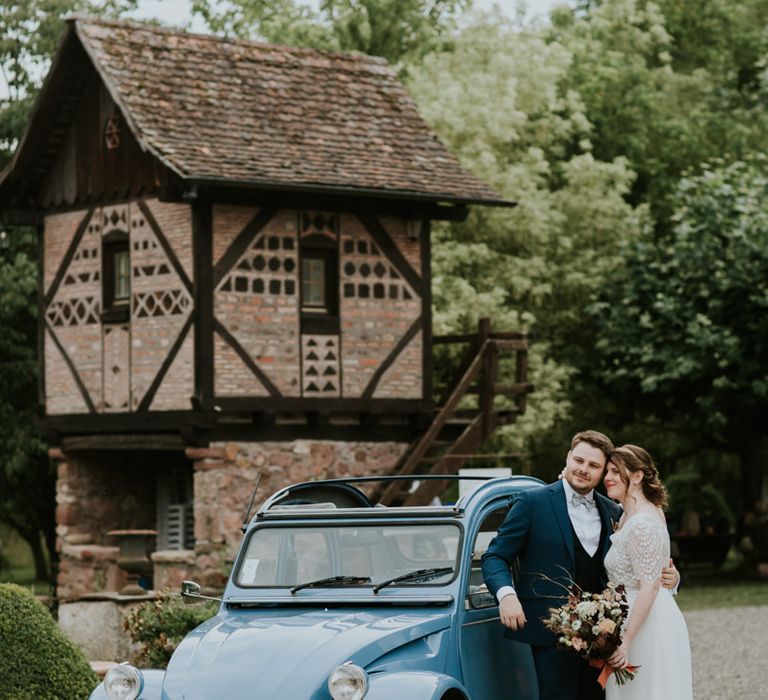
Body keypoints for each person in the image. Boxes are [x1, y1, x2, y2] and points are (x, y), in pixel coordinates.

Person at [481, 430, 679, 700]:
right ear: (568, 458)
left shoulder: (615, 511)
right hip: (549, 634)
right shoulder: (532, 503)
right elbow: (495, 556)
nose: (584, 469)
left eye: (594, 465)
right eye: (579, 460)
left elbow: (642, 564)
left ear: (603, 474)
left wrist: (672, 576)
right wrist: (506, 595)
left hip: (603, 638)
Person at [603, 445, 693, 699]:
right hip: (635, 615)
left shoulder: (641, 522)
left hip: (645, 624)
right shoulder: (628, 515)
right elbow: (659, 568)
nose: (607, 477)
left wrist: (626, 640)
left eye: (615, 471)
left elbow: (650, 586)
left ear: (638, 476)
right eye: (607, 471)